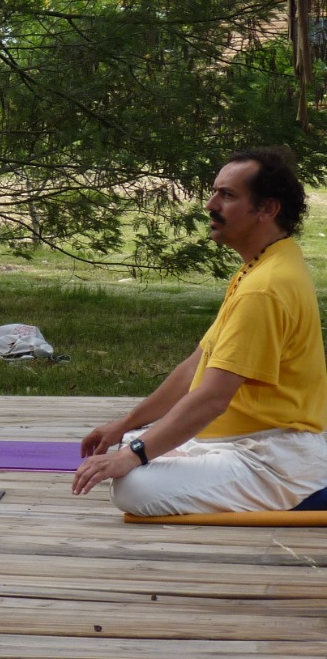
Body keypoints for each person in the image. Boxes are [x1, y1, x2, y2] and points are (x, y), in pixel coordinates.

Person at [74, 147, 327, 514]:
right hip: (243, 443)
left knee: (132, 487)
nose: (210, 204)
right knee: (132, 448)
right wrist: (125, 425)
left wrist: (134, 455)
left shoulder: (264, 288)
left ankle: (305, 489)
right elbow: (195, 367)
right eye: (214, 192)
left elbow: (212, 398)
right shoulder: (267, 263)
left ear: (268, 209)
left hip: (272, 458)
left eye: (228, 195)